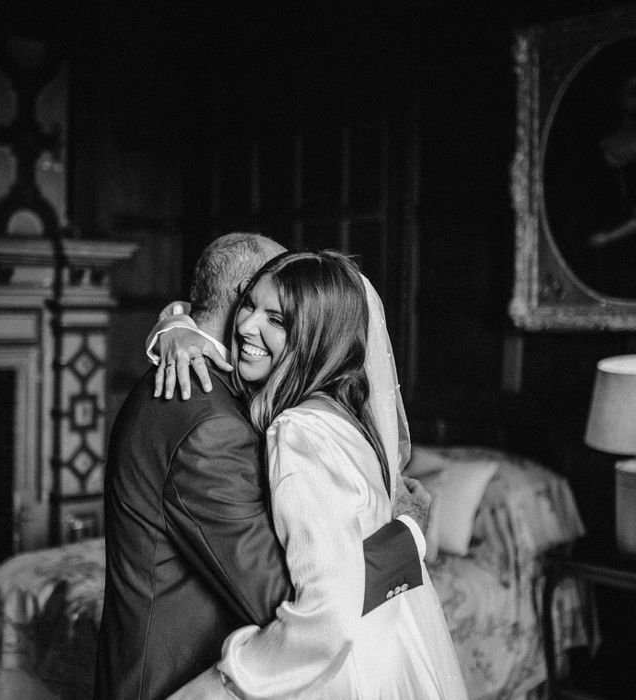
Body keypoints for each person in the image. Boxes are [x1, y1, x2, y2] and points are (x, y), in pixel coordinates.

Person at [94, 233, 431, 700]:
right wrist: (407, 535)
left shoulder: (194, 375)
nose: (261, 319)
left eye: (281, 311)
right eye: (263, 301)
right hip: (172, 681)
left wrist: (175, 322)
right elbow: (290, 603)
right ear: (242, 298)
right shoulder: (210, 419)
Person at [168, 250, 467, 699]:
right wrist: (174, 325)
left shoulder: (298, 432)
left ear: (314, 337)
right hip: (389, 651)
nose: (248, 326)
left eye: (278, 320)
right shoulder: (345, 416)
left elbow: (328, 611)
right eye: (249, 304)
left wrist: (227, 680)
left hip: (341, 672)